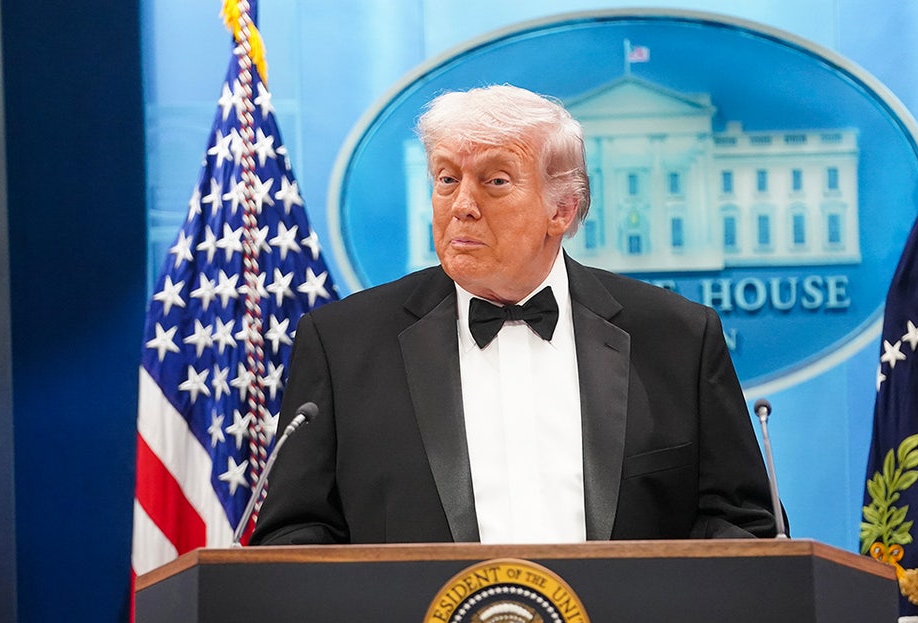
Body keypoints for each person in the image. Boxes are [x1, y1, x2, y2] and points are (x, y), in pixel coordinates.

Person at [250, 84, 781, 545]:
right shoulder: (343, 343)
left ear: (561, 210)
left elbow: (742, 521)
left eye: (495, 181)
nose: (462, 204)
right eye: (446, 179)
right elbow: (295, 534)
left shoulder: (676, 337)